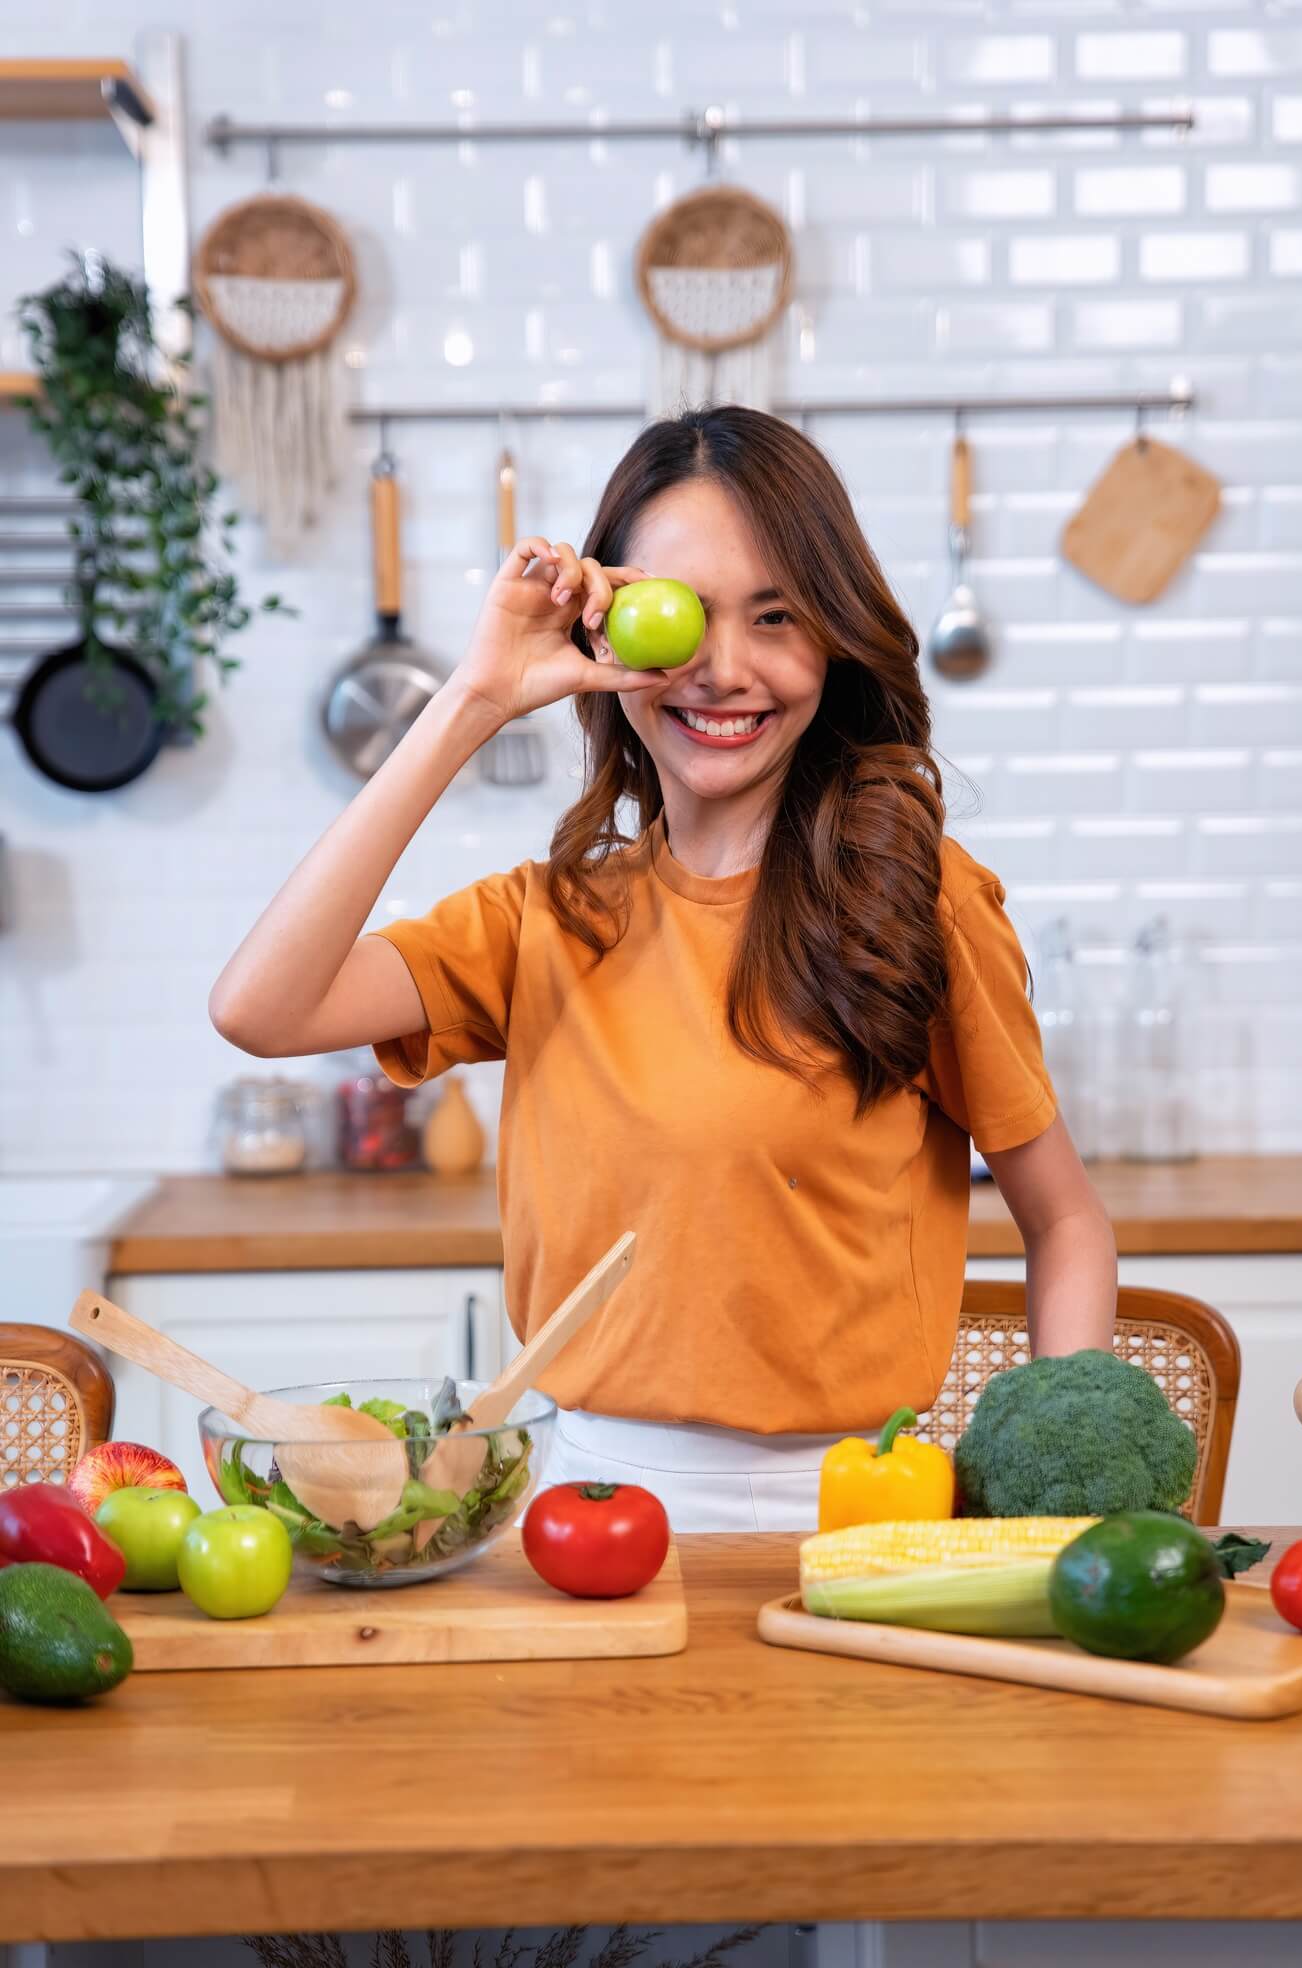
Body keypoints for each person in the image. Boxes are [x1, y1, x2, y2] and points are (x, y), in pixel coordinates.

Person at [211, 405, 1116, 1532]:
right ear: (609, 637)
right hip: (576, 1507)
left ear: (833, 640)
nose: (724, 672)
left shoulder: (912, 903)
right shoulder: (546, 921)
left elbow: (1065, 1222)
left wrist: (1052, 1490)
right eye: (680, 615)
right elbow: (260, 1007)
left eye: (776, 616)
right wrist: (476, 697)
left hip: (853, 1510)